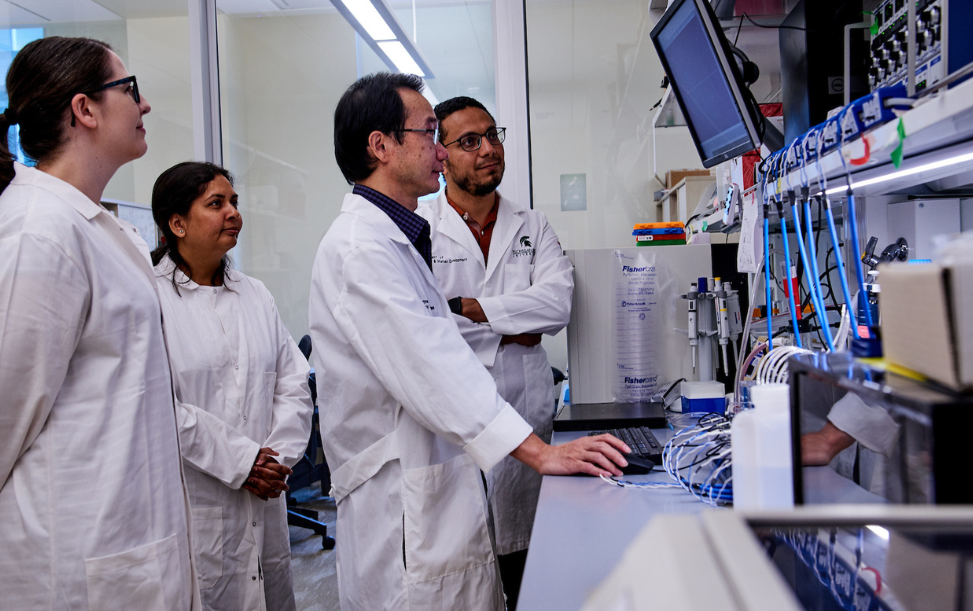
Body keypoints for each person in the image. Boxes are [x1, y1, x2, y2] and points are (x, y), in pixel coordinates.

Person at [309, 72, 631, 611]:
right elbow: (432, 364)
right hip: (403, 503)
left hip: (439, 477)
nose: (438, 151)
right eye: (429, 133)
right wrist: (540, 452)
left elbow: (544, 310)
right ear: (381, 145)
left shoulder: (400, 238)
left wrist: (481, 315)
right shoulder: (362, 248)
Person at [0, 37, 199, 610]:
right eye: (130, 90)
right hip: (64, 559)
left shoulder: (98, 227)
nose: (144, 106)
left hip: (124, 540)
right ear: (84, 109)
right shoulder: (36, 231)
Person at [415, 96, 573, 607]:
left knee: (528, 567)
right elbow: (425, 326)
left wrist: (471, 309)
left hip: (525, 411)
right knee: (464, 566)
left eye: (493, 135)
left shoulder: (533, 224)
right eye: (469, 141)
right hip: (453, 424)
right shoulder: (419, 230)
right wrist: (513, 323)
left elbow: (556, 305)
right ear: (441, 155)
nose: (488, 149)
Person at [150, 161, 314, 611]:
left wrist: (274, 460)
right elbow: (154, 403)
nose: (233, 214)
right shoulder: (148, 299)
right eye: (216, 204)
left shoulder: (255, 294)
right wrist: (242, 461)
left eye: (234, 202)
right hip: (196, 497)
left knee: (270, 590)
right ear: (177, 224)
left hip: (266, 492)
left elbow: (293, 381)